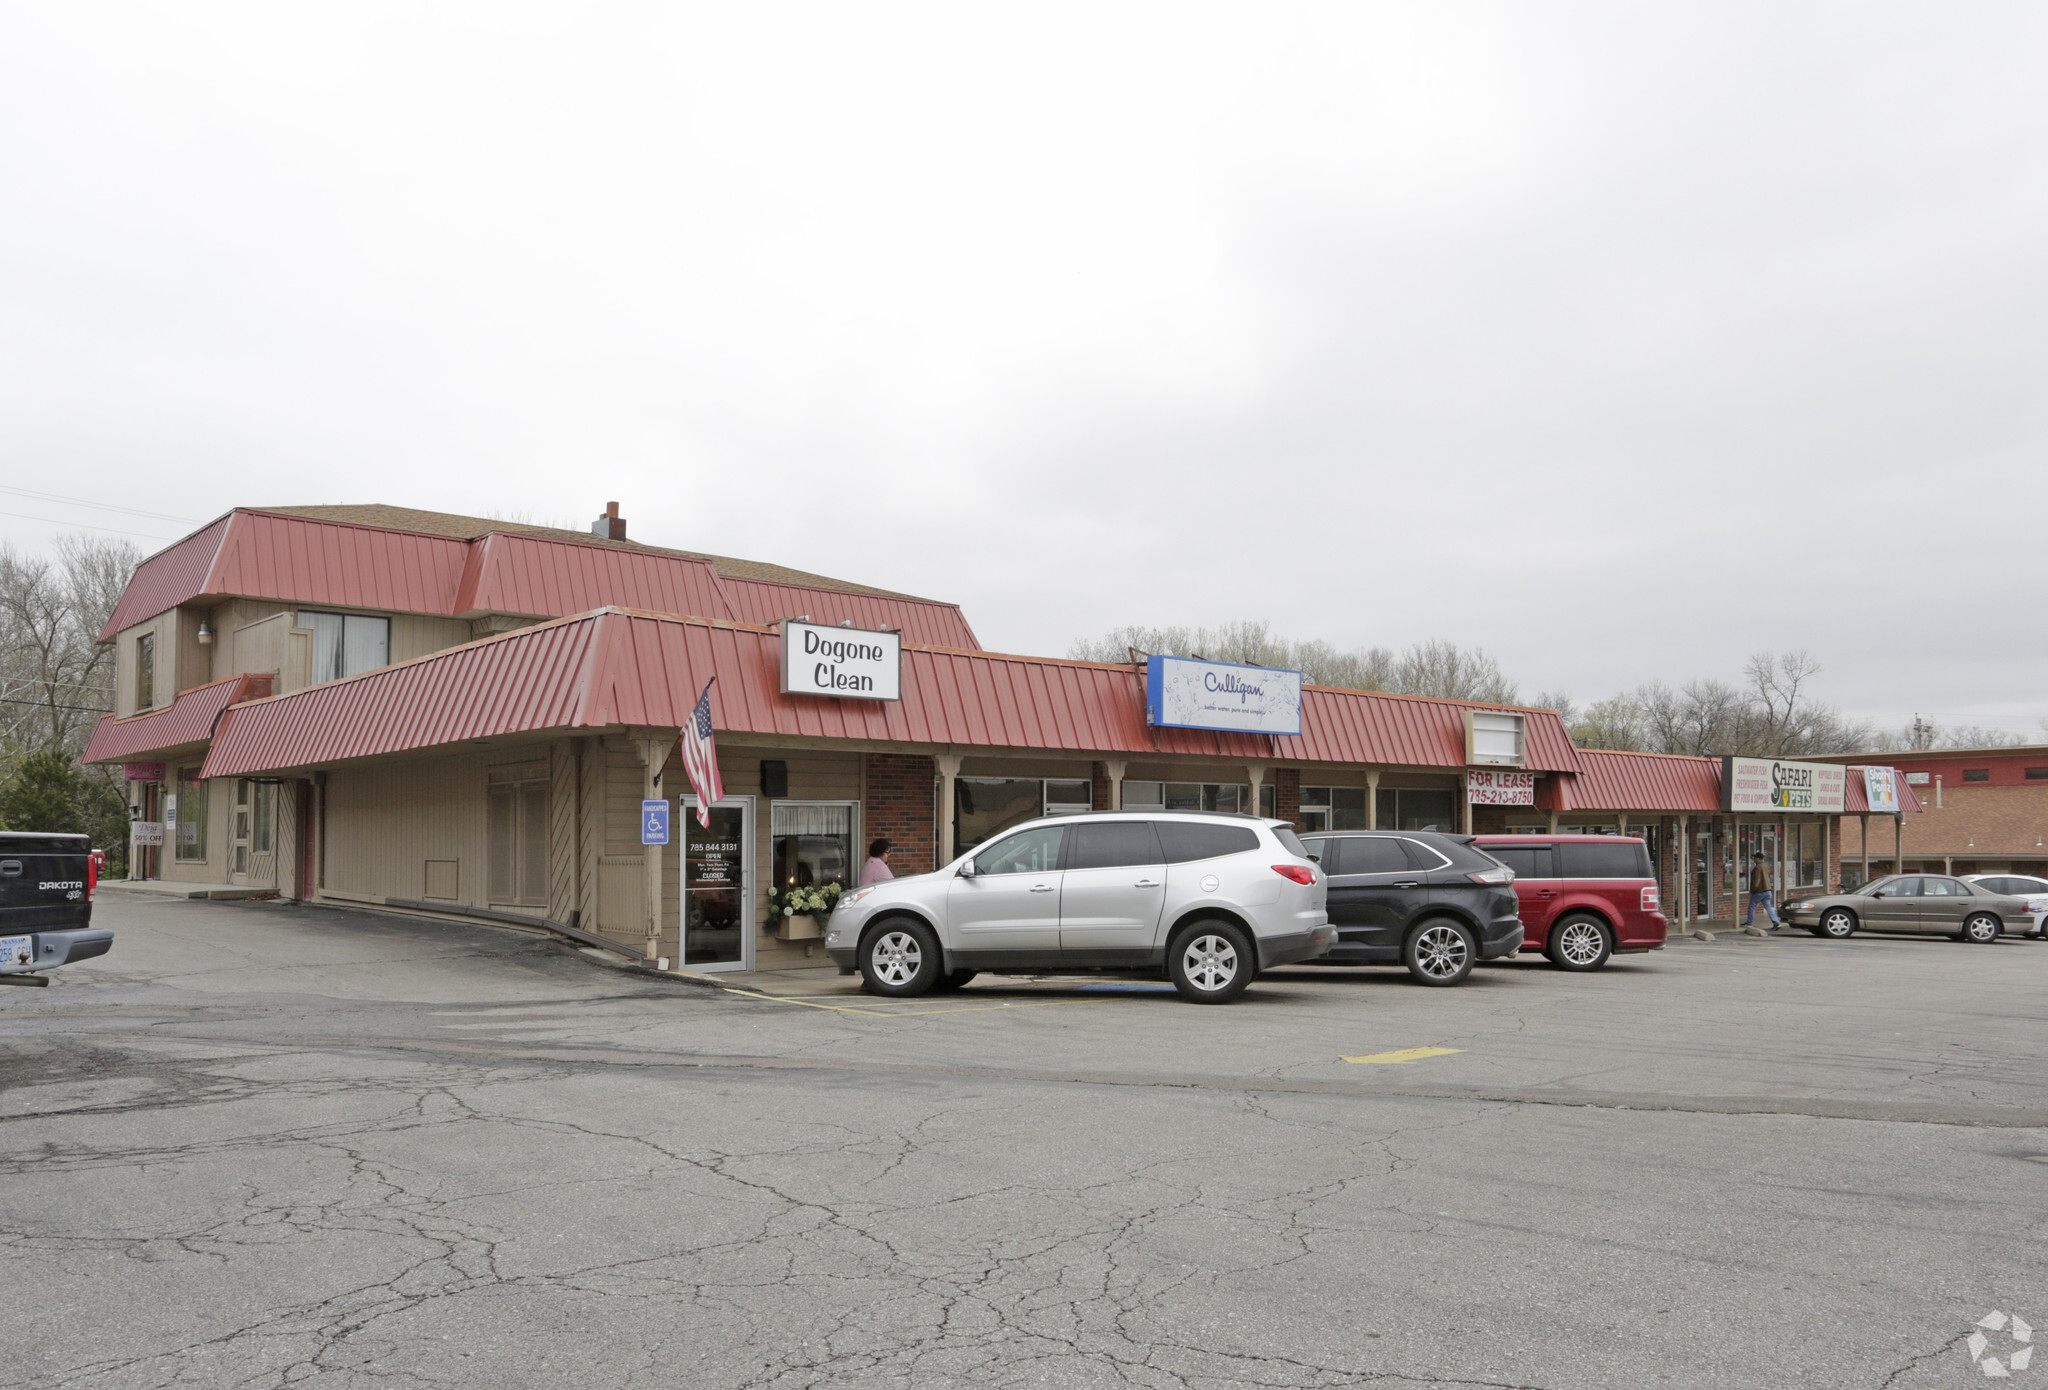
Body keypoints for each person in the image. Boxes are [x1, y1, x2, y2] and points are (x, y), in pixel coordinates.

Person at [1743, 852, 1780, 931]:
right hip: (1767, 890)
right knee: (1769, 907)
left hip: (1759, 891)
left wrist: (1752, 890)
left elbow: (1756, 881)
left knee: (1752, 906)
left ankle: (1749, 923)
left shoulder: (1758, 868)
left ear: (1759, 859)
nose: (1754, 859)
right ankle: (1776, 921)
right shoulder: (1766, 866)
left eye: (1755, 858)